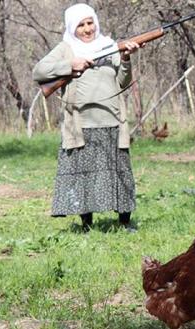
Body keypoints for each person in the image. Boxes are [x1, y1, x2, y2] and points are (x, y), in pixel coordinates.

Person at [32, 3, 141, 232]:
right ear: (73, 27)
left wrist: (126, 59)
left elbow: (122, 81)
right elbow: (39, 71)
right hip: (82, 125)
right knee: (84, 177)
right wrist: (70, 64)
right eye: (81, 25)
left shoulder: (110, 46)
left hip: (112, 122)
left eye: (90, 23)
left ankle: (124, 222)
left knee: (120, 174)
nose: (87, 29)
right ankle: (86, 224)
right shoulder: (66, 49)